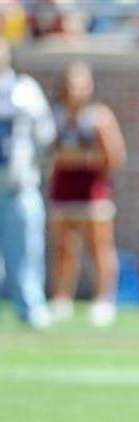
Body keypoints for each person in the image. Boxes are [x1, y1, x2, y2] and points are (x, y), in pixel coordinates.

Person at [47, 62, 126, 327]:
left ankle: (104, 300)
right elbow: (49, 153)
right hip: (62, 191)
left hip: (93, 192)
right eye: (71, 82)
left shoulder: (99, 116)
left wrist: (80, 159)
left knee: (99, 246)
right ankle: (61, 299)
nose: (76, 89)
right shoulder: (55, 115)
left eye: (81, 83)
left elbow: (114, 156)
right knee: (63, 248)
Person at [0, 38, 55, 328]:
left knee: (26, 253)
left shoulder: (25, 90)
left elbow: (45, 135)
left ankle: (31, 310)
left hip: (18, 187)